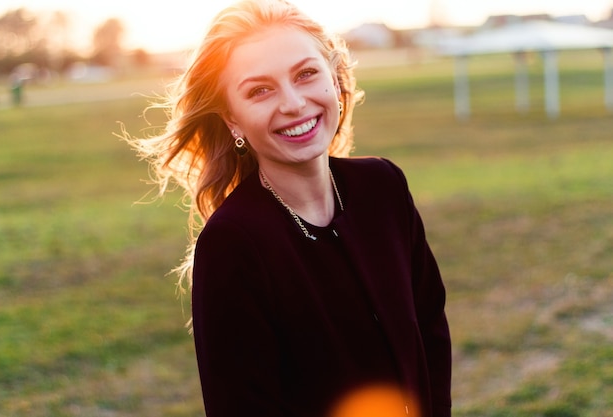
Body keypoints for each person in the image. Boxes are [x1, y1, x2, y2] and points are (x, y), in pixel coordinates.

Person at [124, 1, 451, 416]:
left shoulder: (383, 186)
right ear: (233, 120)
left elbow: (430, 327)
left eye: (306, 74)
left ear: (334, 80)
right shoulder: (232, 245)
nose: (294, 103)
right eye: (260, 90)